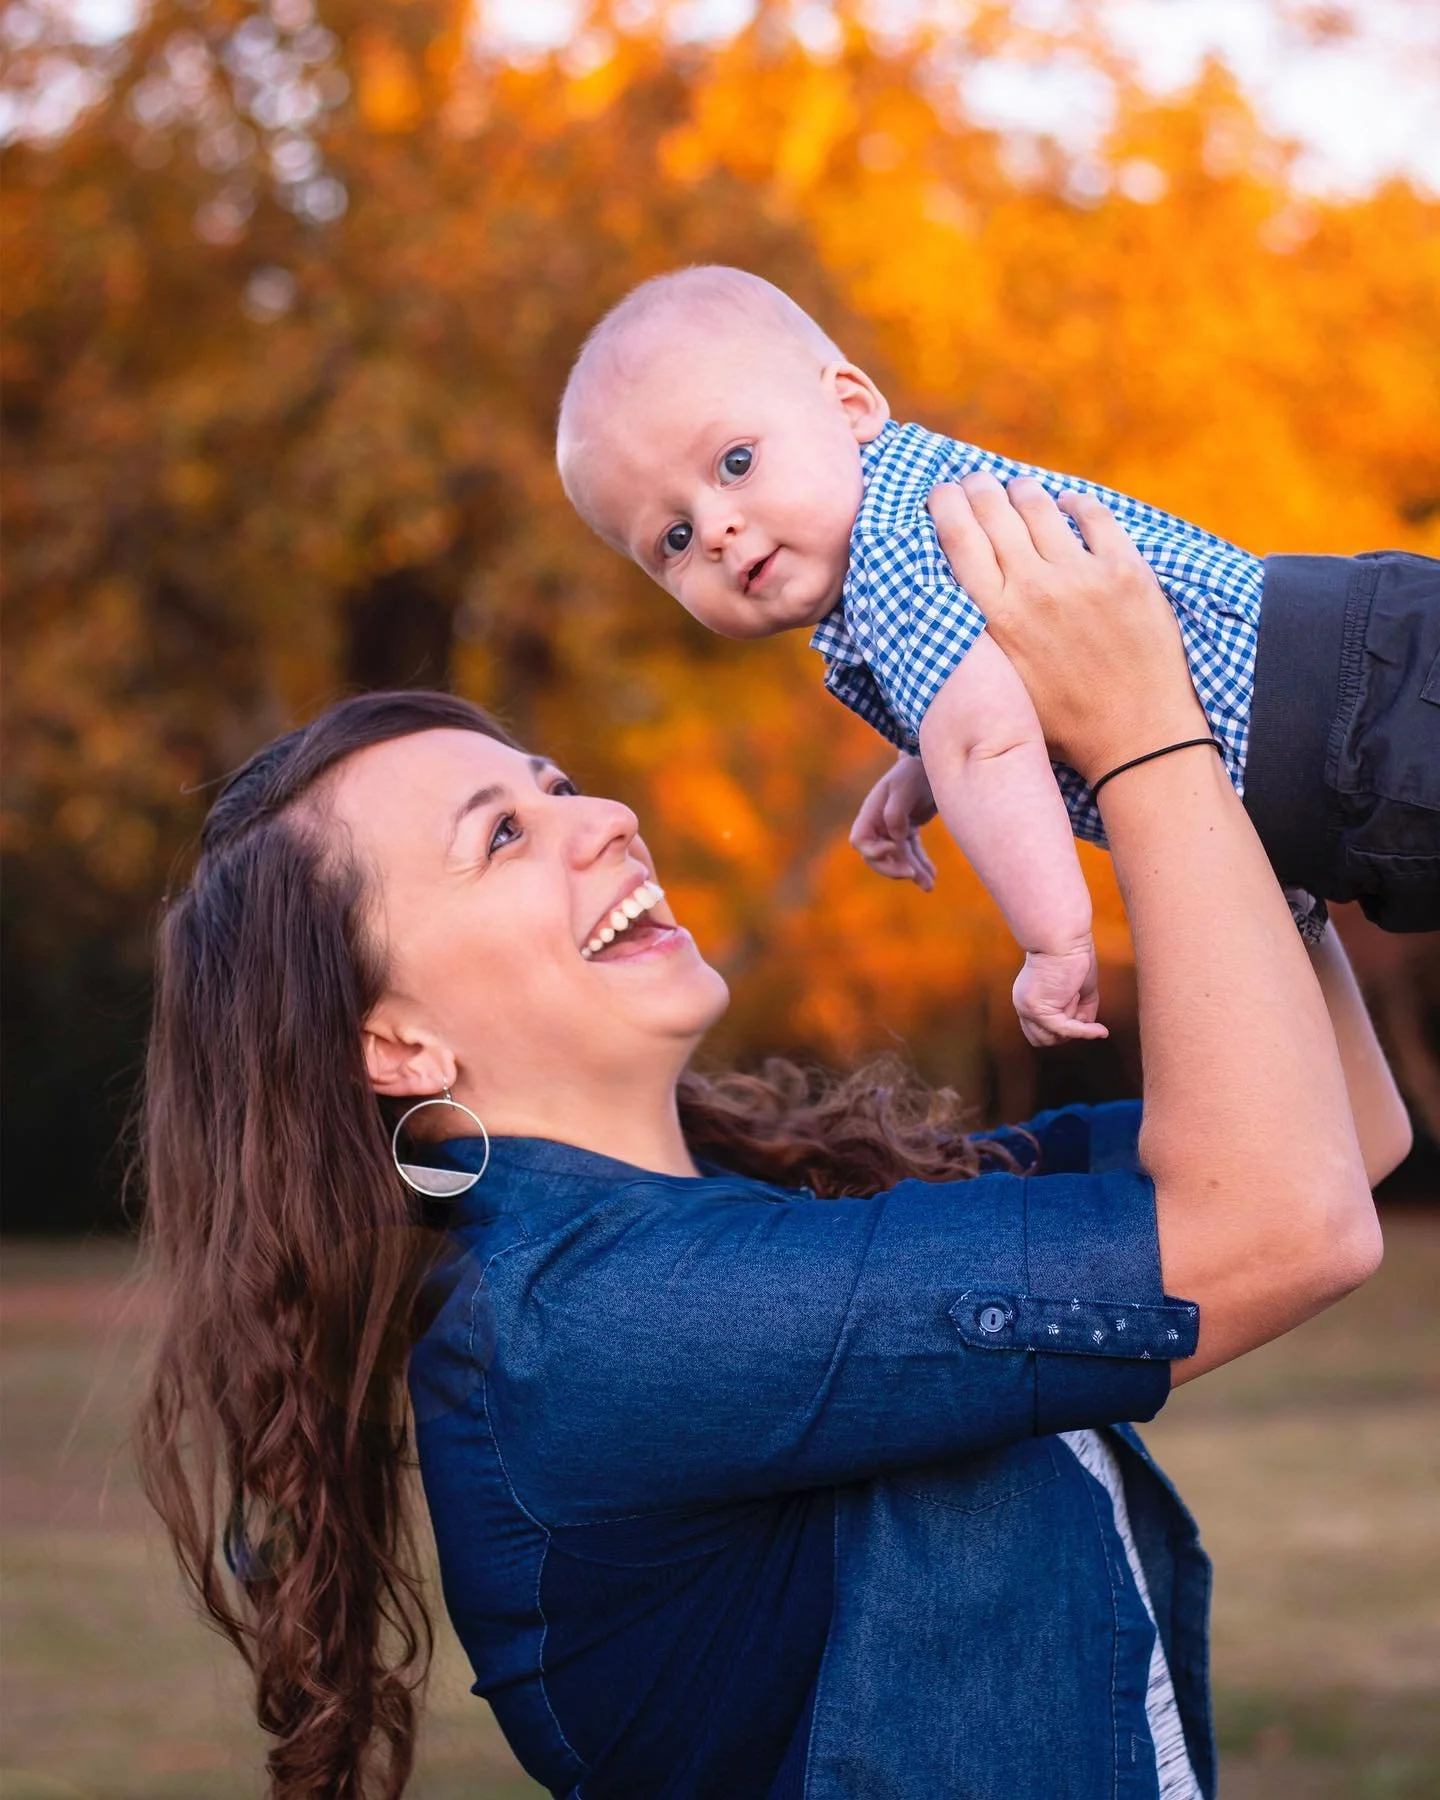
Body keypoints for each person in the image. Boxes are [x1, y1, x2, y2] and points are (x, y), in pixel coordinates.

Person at [135, 484, 1409, 1800]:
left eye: (555, 783)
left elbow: (1336, 1140)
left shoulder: (763, 1215)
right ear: (396, 1044)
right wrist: (1149, 737)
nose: (605, 815)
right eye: (504, 836)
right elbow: (1278, 1228)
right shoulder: (593, 1328)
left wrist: (1187, 788)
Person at [555, 264, 1440, 1046]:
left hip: (1361, 735)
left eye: (736, 463)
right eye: (671, 537)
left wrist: (1054, 941)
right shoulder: (914, 518)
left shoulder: (888, 559)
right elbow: (992, 700)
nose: (715, 529)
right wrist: (923, 763)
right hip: (1367, 666)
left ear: (851, 405)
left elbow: (990, 743)